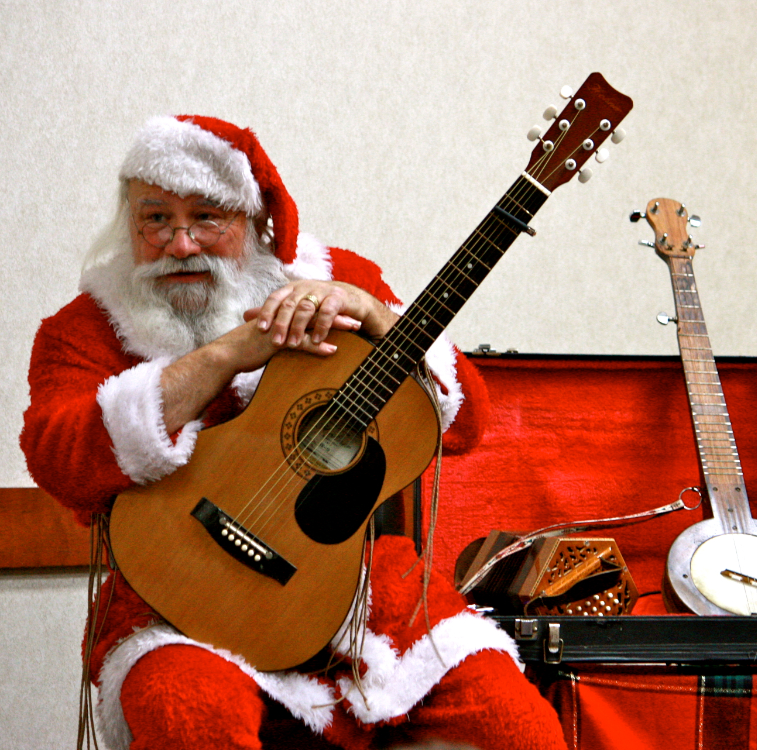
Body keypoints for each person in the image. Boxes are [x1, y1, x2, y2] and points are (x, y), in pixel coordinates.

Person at [21, 115, 566, 750]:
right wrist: (228, 354)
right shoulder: (85, 328)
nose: (180, 243)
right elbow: (60, 457)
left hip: (360, 590)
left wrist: (372, 312)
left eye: (208, 217)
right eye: (155, 219)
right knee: (188, 711)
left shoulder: (337, 277)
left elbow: (466, 422)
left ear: (254, 223)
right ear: (130, 226)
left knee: (515, 722)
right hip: (175, 595)